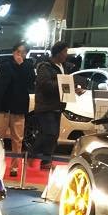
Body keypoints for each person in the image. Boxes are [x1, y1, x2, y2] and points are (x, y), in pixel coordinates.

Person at [0, 42, 35, 175]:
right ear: (14, 52)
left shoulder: (28, 66)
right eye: (19, 51)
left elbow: (30, 83)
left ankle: (14, 167)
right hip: (3, 108)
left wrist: (22, 67)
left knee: (17, 140)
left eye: (24, 52)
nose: (21, 55)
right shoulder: (5, 65)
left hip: (18, 108)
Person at [33, 41, 69, 169]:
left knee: (52, 135)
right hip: (46, 106)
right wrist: (62, 84)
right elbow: (45, 85)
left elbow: (65, 85)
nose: (66, 54)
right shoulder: (45, 67)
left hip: (57, 106)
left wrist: (73, 89)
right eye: (65, 51)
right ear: (58, 53)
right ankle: (33, 155)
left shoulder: (63, 67)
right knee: (49, 133)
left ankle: (45, 161)